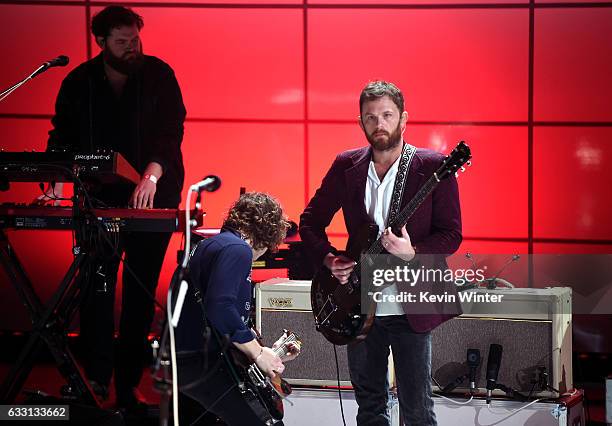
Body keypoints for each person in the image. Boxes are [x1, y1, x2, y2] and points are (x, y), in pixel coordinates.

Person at [40, 6, 186, 410]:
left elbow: (171, 133)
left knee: (140, 297)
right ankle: (96, 383)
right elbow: (62, 134)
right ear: (101, 42)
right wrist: (53, 173)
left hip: (152, 198)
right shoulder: (79, 82)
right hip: (99, 200)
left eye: (135, 39)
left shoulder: (159, 75)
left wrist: (150, 176)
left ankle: (127, 388)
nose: (131, 47)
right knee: (96, 294)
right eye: (122, 42)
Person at [299, 80, 462, 425]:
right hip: (358, 307)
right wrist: (330, 260)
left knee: (417, 411)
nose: (379, 124)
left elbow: (452, 235)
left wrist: (412, 252)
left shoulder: (433, 166)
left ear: (404, 119)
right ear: (361, 123)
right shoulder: (346, 165)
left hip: (411, 306)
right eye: (370, 117)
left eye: (387, 115)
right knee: (369, 409)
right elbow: (310, 221)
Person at [175, 192, 300, 426]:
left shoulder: (211, 245)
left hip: (187, 361)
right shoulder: (238, 249)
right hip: (202, 362)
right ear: (267, 236)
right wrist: (258, 353)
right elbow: (220, 307)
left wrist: (269, 352)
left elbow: (218, 313)